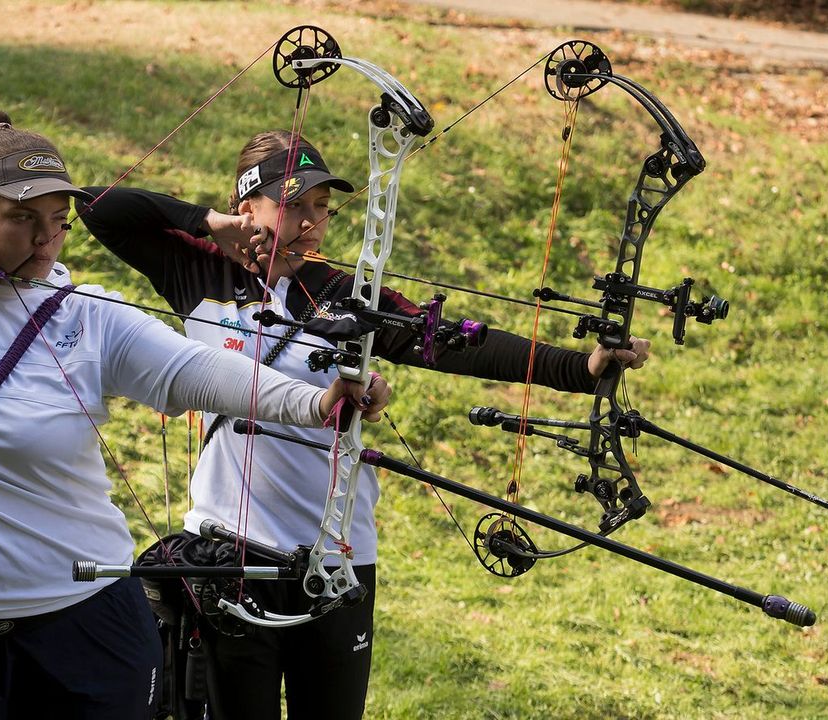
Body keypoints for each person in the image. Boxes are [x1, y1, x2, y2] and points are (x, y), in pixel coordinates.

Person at [0, 111, 390, 720]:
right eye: (22, 218)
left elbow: (199, 372)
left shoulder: (89, 317)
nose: (45, 239)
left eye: (57, 221)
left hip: (83, 621)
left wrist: (316, 401)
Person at [77, 130, 653, 720]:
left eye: (321, 208)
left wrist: (581, 367)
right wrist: (209, 223)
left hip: (335, 558)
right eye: (293, 204)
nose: (311, 222)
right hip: (231, 553)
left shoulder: (348, 294)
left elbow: (454, 343)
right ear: (248, 206)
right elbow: (96, 206)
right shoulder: (197, 272)